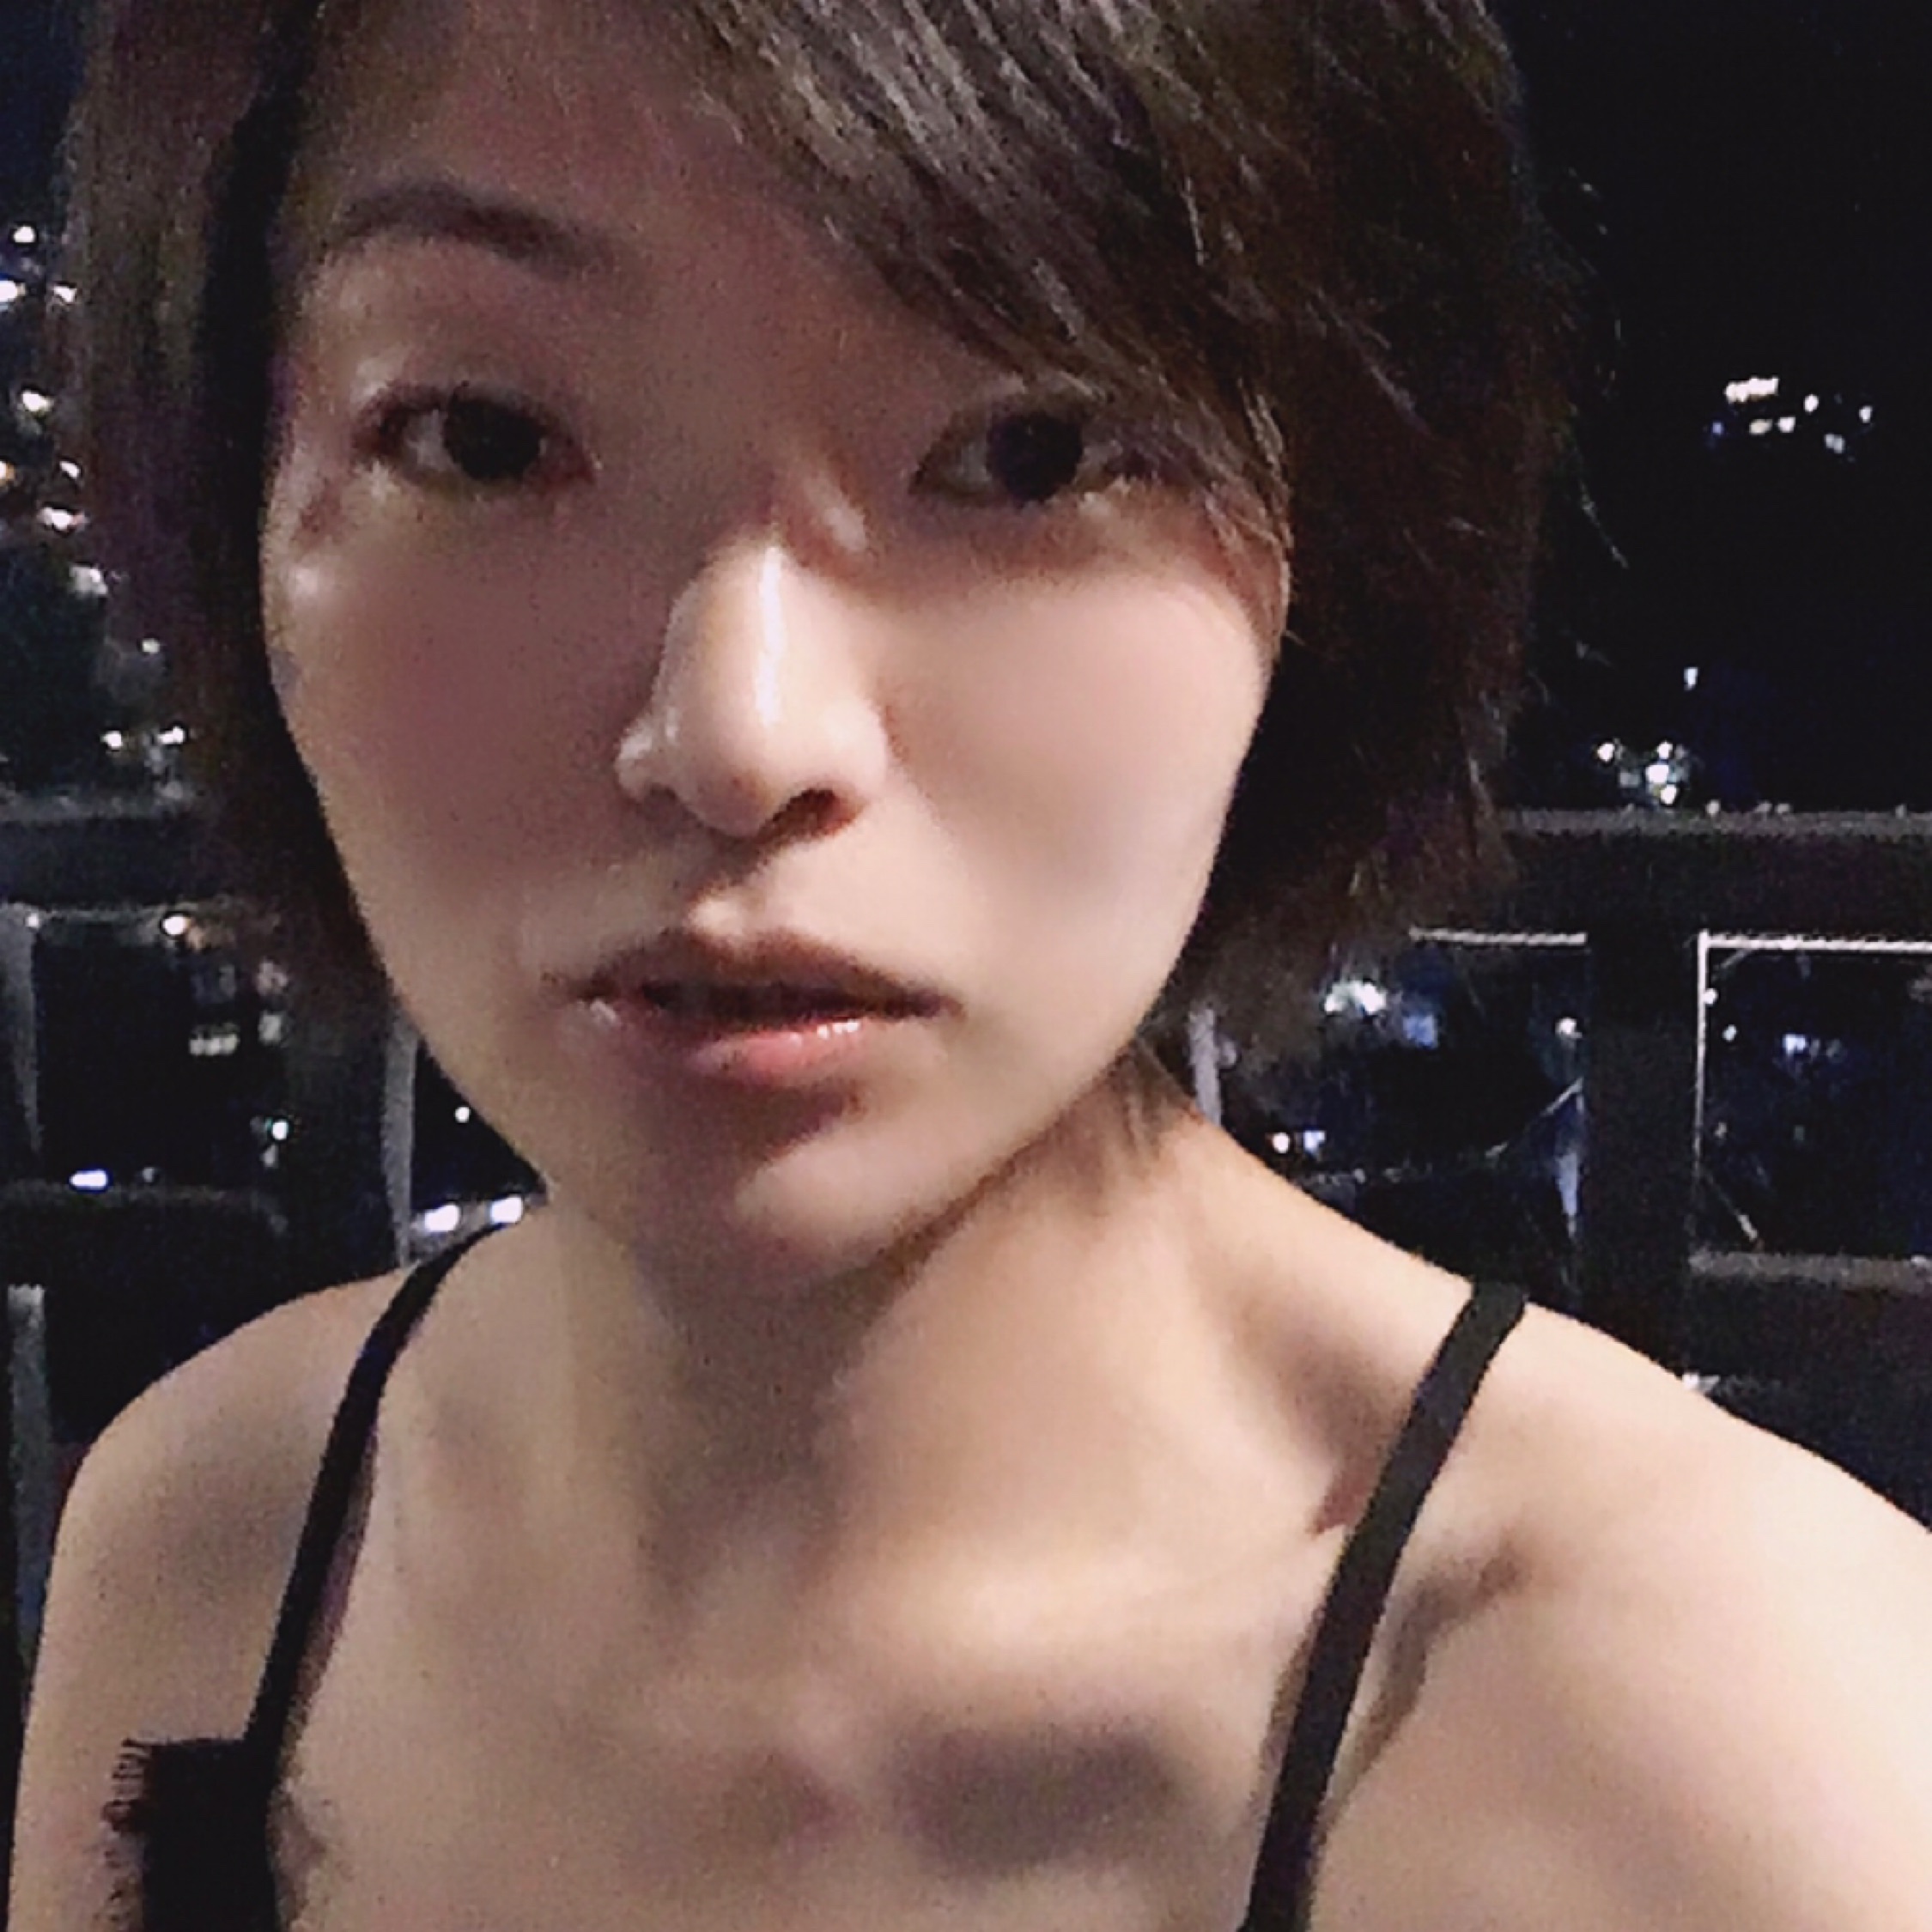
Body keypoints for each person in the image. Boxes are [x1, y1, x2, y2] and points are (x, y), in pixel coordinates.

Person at [13, 0, 1932, 1926]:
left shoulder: (1724, 1750)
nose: (742, 736)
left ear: (1331, 534)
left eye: (1028, 453)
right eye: (483, 438)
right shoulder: (217, 1548)